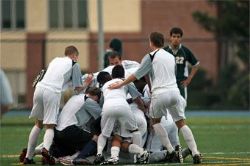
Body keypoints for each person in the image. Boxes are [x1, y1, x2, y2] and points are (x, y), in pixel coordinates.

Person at [109, 32, 202, 164]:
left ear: (151, 42)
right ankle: (196, 152)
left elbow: (137, 74)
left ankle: (170, 151)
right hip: (175, 92)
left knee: (155, 122)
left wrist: (121, 83)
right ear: (163, 42)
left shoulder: (150, 57)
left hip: (160, 93)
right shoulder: (170, 56)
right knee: (181, 123)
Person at [23, 45, 85, 164]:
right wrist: (86, 83)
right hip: (52, 91)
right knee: (50, 126)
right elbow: (78, 89)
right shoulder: (74, 64)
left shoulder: (55, 60)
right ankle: (46, 150)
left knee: (38, 124)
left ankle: (28, 157)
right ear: (74, 55)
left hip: (39, 89)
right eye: (77, 57)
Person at [94, 65, 147, 165]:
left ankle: (99, 154)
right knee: (135, 130)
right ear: (123, 74)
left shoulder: (105, 85)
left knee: (105, 134)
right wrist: (143, 109)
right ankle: (139, 155)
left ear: (112, 75)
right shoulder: (127, 82)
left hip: (107, 107)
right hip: (123, 107)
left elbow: (101, 102)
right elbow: (136, 98)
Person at [164, 27, 200, 100]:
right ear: (170, 38)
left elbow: (196, 64)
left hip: (181, 83)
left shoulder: (185, 51)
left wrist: (189, 78)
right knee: (168, 107)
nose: (176, 39)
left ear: (181, 38)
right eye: (174, 36)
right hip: (167, 84)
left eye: (178, 37)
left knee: (181, 106)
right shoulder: (165, 51)